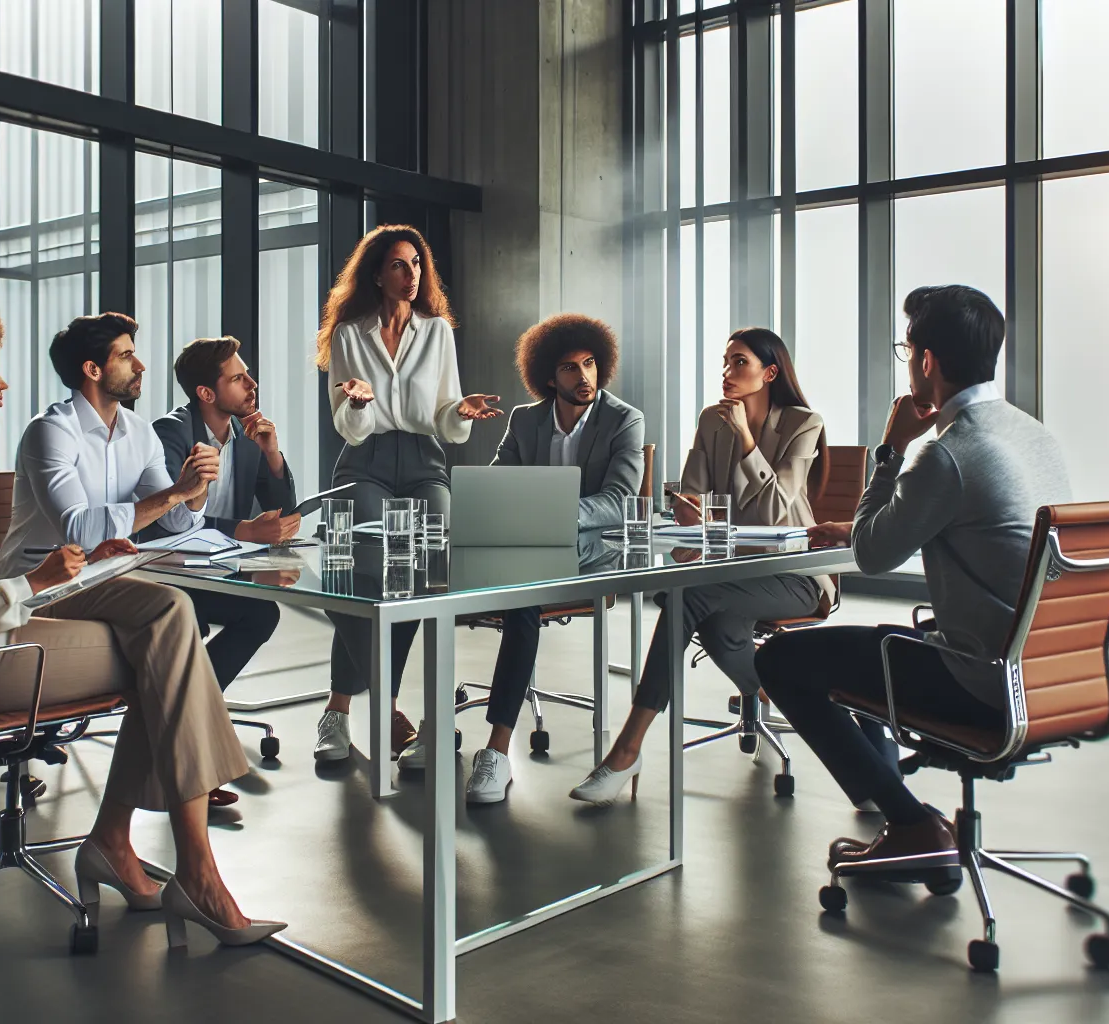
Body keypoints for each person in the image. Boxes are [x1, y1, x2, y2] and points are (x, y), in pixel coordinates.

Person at [0, 294, 281, 945]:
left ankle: (126, 845)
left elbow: (167, 518)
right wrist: (34, 582)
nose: (2, 381)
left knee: (168, 618)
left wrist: (189, 493)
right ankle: (187, 867)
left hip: (25, 609)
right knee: (164, 647)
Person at [754, 284, 1071, 868]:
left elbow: (873, 556)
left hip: (982, 680)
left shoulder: (947, 453)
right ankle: (889, 794)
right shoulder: (1033, 435)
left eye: (906, 351)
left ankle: (911, 823)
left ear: (927, 362)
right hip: (1051, 672)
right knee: (868, 648)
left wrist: (892, 448)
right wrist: (863, 526)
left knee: (781, 659)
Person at [571, 327, 836, 803]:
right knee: (711, 621)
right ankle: (773, 687)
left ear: (769, 373)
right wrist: (687, 509)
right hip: (729, 571)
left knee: (687, 597)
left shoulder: (803, 423)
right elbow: (691, 494)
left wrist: (745, 437)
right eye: (725, 362)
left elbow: (776, 509)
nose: (727, 371)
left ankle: (627, 749)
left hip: (794, 575)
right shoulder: (711, 420)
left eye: (740, 362)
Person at [0, 312, 241, 807]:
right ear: (93, 370)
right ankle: (187, 782)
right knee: (172, 617)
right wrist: (175, 494)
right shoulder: (51, 431)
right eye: (126, 356)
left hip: (101, 578)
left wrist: (195, 489)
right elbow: (80, 529)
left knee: (178, 618)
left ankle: (181, 782)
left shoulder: (138, 432)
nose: (140, 365)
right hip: (40, 586)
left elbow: (175, 522)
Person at [397, 314, 645, 803]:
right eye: (570, 368)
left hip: (589, 556)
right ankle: (435, 725)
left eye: (590, 364)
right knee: (431, 580)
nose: (584, 376)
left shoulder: (624, 419)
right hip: (521, 549)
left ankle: (496, 752)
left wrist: (547, 512)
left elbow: (620, 501)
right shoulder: (526, 419)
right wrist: (485, 509)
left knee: (520, 594)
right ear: (549, 377)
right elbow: (497, 483)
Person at [310, 224, 502, 763]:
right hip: (365, 461)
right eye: (398, 264)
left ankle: (368, 708)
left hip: (423, 461)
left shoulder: (437, 331)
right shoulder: (349, 334)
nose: (410, 273)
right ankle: (355, 710)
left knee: (425, 576)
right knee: (361, 578)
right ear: (377, 274)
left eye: (417, 263)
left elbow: (443, 417)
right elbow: (348, 427)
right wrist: (358, 402)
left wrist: (460, 411)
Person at [140, 336, 301, 689]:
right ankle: (189, 703)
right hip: (170, 569)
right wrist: (245, 530)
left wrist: (272, 454)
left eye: (247, 375)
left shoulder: (246, 435)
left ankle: (196, 700)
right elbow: (172, 521)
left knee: (262, 614)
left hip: (222, 564)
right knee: (199, 619)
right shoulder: (170, 433)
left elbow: (282, 508)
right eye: (238, 378)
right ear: (206, 393)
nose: (252, 384)